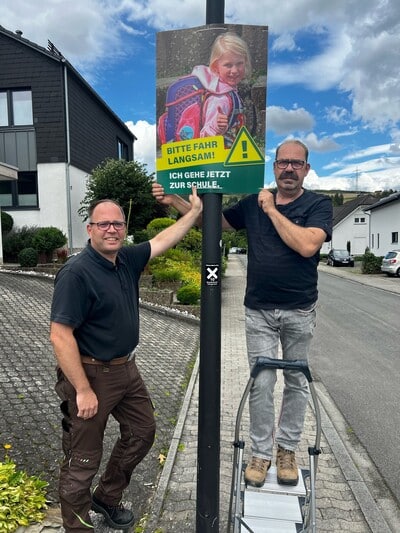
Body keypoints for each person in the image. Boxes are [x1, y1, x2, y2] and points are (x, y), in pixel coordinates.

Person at [152, 140, 333, 488]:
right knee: (262, 383)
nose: (289, 169)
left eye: (297, 163)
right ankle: (262, 454)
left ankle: (287, 451)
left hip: (299, 310)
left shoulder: (317, 204)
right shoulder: (253, 203)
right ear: (274, 166)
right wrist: (173, 201)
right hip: (259, 311)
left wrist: (270, 210)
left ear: (307, 169)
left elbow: (308, 244)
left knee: (296, 381)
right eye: (283, 163)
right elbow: (214, 222)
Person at [49, 188, 202, 532]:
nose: (111, 230)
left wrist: (193, 213)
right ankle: (76, 527)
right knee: (82, 459)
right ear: (90, 229)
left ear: (124, 227)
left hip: (126, 369)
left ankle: (107, 496)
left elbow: (164, 239)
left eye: (117, 223)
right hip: (89, 374)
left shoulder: (126, 260)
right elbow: (60, 335)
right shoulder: (77, 273)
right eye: (103, 224)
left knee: (142, 432)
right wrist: (83, 389)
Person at [192, 32, 250, 147]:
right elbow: (204, 137)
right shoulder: (220, 99)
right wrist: (216, 126)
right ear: (215, 67)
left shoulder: (229, 90)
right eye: (228, 65)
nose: (234, 70)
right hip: (220, 160)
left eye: (239, 64)